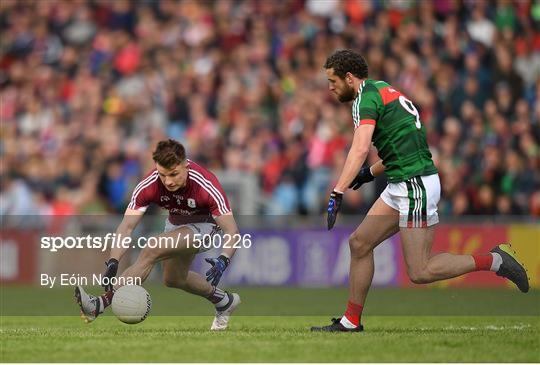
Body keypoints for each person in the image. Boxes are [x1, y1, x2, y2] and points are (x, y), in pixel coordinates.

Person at [311, 50, 530, 332]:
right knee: (359, 244)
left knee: (420, 271)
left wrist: (337, 191)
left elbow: (360, 148)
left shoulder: (364, 99)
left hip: (414, 185)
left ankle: (495, 260)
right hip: (405, 181)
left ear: (349, 78)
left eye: (333, 81)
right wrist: (368, 173)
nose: (330, 87)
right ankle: (351, 321)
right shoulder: (382, 90)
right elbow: (399, 150)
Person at [75, 139, 241, 330]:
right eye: (163, 175)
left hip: (206, 227)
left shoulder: (206, 184)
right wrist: (114, 261)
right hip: (175, 224)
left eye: (174, 174)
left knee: (152, 248)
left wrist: (223, 259)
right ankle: (224, 301)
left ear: (185, 165)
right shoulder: (150, 184)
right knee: (174, 279)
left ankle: (98, 304)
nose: (168, 181)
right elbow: (127, 226)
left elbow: (232, 230)